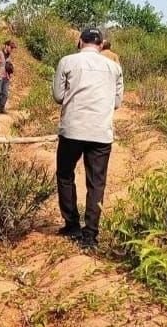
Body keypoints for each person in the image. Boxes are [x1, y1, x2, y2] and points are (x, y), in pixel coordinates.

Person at [52, 28, 124, 249]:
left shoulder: (67, 61)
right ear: (101, 44)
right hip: (101, 132)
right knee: (96, 183)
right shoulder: (114, 68)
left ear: (79, 41)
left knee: (65, 174)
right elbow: (117, 102)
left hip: (73, 129)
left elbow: (58, 96)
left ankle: (72, 224)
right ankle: (90, 234)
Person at [0, 40, 16, 114]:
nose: (12, 49)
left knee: (5, 94)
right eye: (11, 47)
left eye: (13, 48)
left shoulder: (9, 56)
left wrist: (10, 72)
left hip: (6, 78)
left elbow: (9, 66)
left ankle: (1, 108)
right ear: (6, 46)